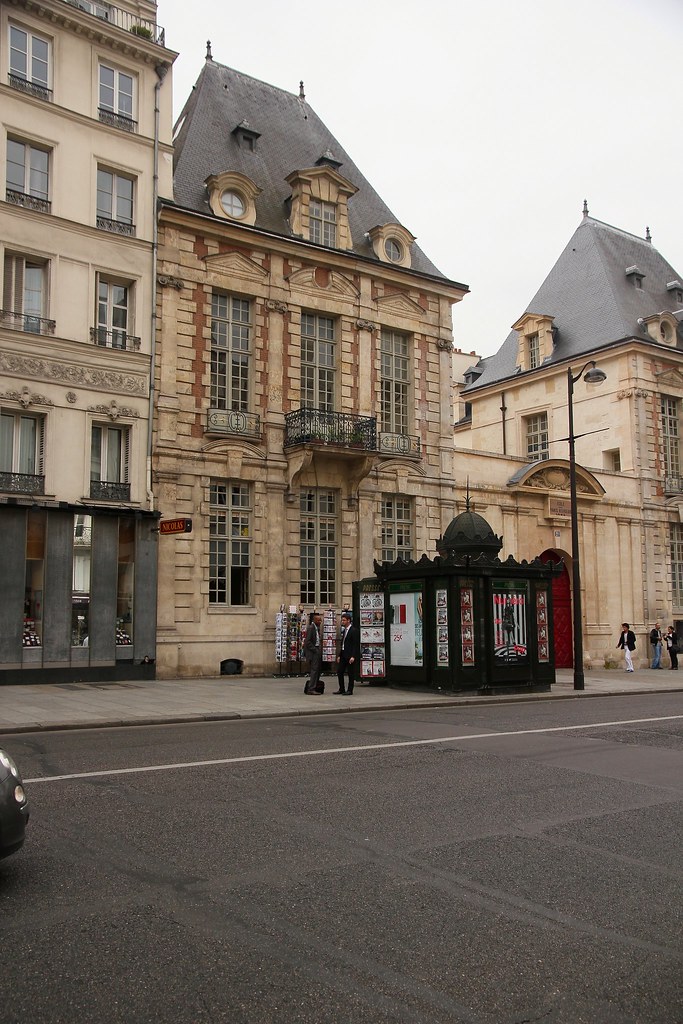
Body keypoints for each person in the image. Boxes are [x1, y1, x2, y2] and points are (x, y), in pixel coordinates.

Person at [335, 611, 359, 695]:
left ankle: (350, 690)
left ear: (348, 620)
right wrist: (339, 655)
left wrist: (353, 656)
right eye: (342, 620)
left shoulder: (353, 630)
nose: (342, 622)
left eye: (344, 620)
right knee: (339, 671)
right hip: (343, 654)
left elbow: (355, 644)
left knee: (350, 673)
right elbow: (343, 643)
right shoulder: (344, 630)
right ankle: (341, 688)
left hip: (350, 655)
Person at [303, 611, 324, 694]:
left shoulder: (316, 628)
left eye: (320, 620)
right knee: (314, 670)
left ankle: (315, 686)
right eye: (319, 620)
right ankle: (311, 688)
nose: (320, 622)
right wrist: (315, 650)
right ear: (314, 620)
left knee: (317, 669)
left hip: (317, 650)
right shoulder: (311, 628)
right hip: (313, 651)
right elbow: (307, 642)